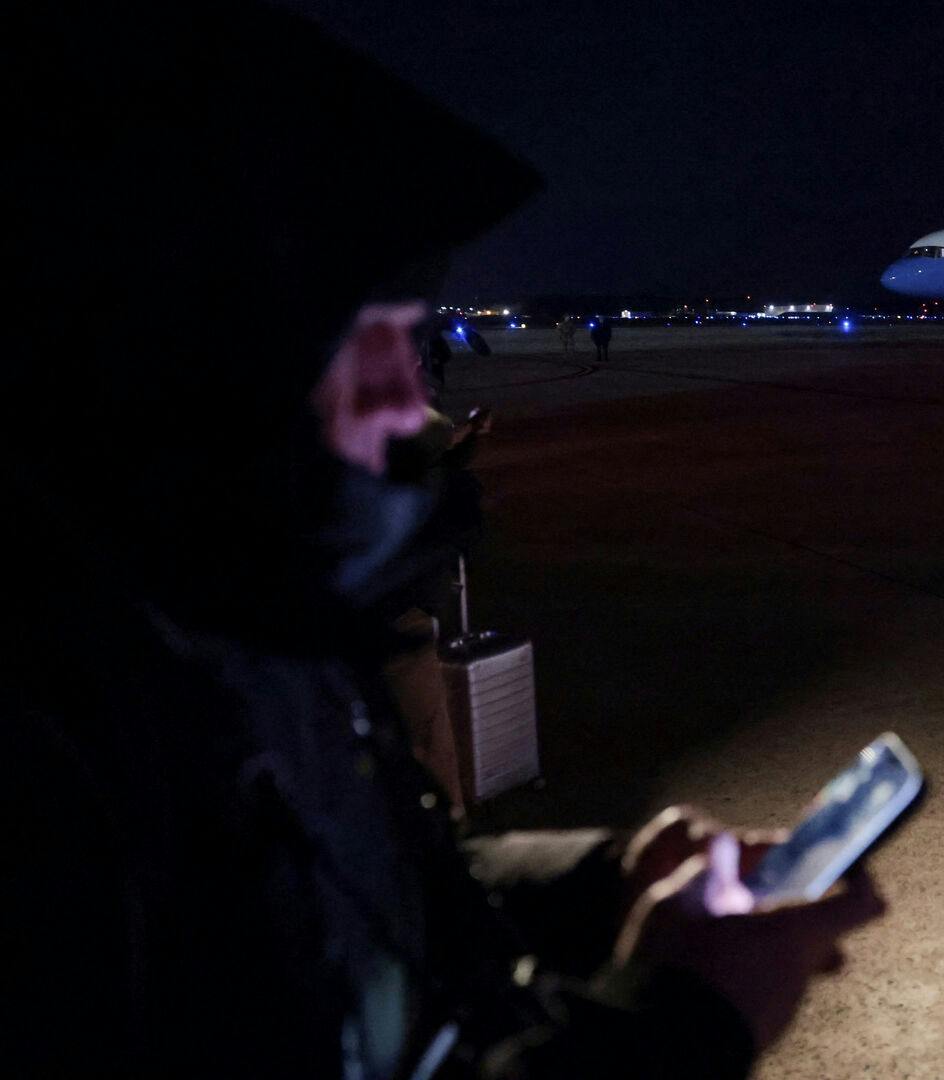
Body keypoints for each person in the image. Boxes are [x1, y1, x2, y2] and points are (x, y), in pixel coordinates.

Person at [12, 5, 884, 1077]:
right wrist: (683, 1021)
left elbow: (357, 891)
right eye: (362, 343)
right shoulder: (51, 755)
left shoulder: (241, 615)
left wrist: (605, 879)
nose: (407, 405)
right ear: (190, 346)